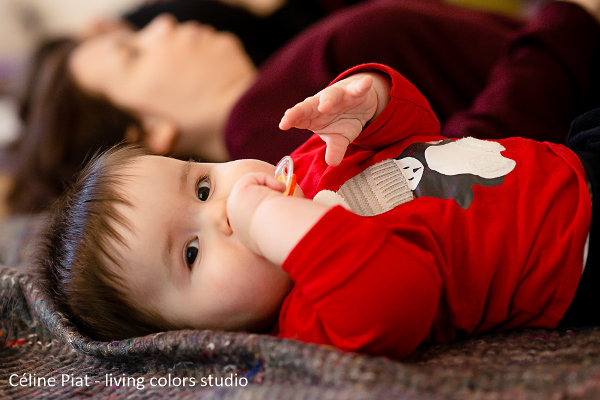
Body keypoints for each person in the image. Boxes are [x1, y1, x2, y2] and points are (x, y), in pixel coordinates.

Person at [37, 62, 597, 360]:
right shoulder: (312, 318)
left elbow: (419, 134)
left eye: (203, 187)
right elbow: (398, 292)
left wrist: (371, 99)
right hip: (574, 253)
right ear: (195, 333)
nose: (227, 212)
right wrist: (271, 221)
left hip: (568, 157)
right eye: (190, 252)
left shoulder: (304, 169)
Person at [6, 0, 600, 215]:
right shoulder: (273, 137)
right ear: (151, 129)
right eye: (134, 53)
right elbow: (465, 174)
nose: (161, 22)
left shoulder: (283, 89)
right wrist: (567, 22)